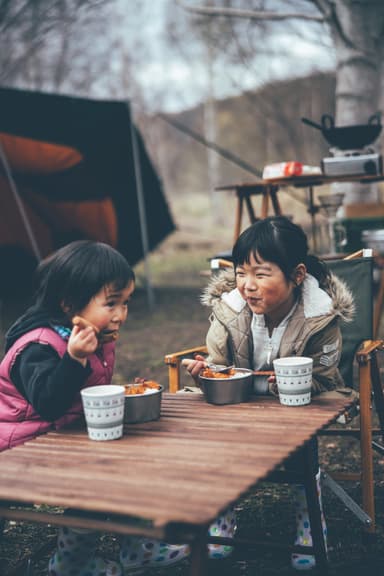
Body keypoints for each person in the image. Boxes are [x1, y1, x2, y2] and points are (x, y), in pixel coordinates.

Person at [0, 240, 190, 576]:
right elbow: (49, 404)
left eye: (125, 303)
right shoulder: (38, 346)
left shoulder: (94, 337)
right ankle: (72, 563)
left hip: (62, 437)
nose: (120, 314)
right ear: (69, 302)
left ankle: (138, 547)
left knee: (129, 458)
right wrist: (74, 359)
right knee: (102, 476)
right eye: (111, 303)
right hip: (21, 449)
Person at [185, 216, 355, 571]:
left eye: (261, 274)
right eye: (241, 272)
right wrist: (206, 374)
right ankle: (221, 522)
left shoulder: (319, 316)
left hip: (294, 408)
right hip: (239, 405)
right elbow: (219, 366)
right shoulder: (230, 311)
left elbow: (326, 380)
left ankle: (308, 523)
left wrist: (293, 384)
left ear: (296, 275)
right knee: (215, 445)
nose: (248, 285)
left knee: (300, 447)